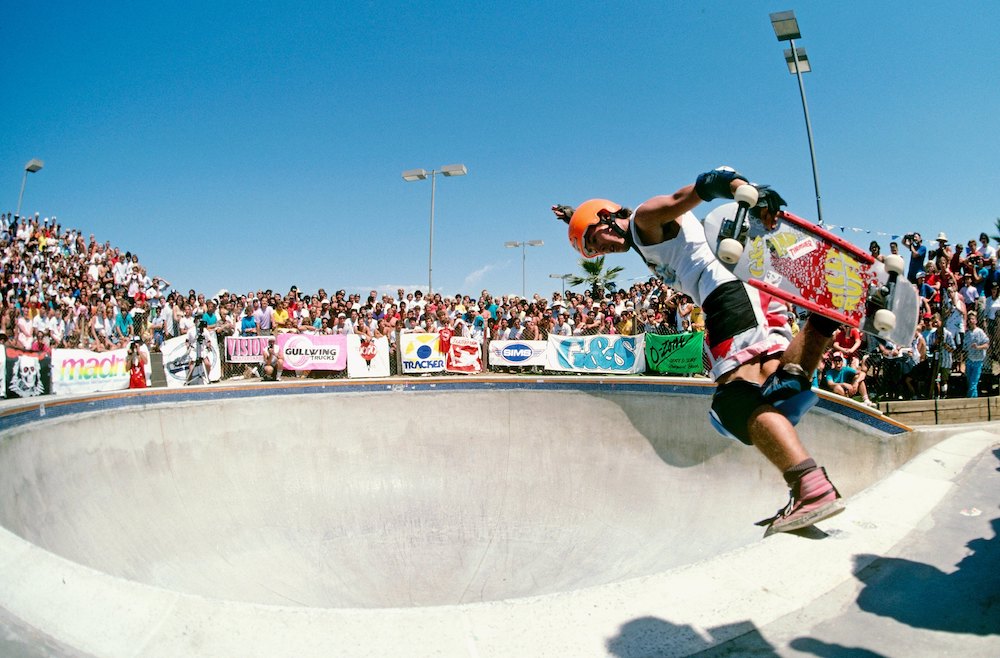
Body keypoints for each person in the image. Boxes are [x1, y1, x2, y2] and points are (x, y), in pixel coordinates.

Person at [552, 166, 844, 535]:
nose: (604, 251)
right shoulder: (641, 237)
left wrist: (739, 187)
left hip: (726, 295)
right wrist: (573, 217)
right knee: (779, 391)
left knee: (734, 405)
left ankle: (809, 487)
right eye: (596, 252)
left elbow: (693, 192)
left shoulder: (644, 219)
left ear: (607, 218)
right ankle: (823, 321)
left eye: (598, 242)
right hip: (754, 290)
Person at [963, 312, 989, 397]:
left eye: (972, 319)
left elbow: (986, 345)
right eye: (969, 319)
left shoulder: (980, 332)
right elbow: (965, 348)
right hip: (969, 360)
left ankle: (971, 401)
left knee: (973, 383)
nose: (970, 321)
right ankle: (973, 398)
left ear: (976, 321)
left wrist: (978, 347)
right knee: (969, 382)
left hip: (978, 361)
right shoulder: (967, 333)